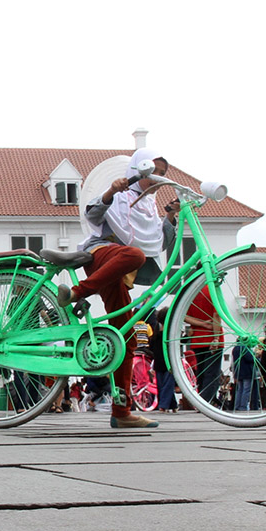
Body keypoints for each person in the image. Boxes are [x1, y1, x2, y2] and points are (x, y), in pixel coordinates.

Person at [58, 148, 175, 429]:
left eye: (162, 174)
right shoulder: (121, 193)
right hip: (101, 254)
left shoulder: (149, 205)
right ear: (139, 169)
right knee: (133, 254)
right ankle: (78, 291)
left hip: (119, 272)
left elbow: (157, 243)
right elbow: (94, 216)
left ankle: (122, 411)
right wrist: (111, 192)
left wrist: (171, 218)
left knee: (126, 336)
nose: (158, 178)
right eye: (153, 171)